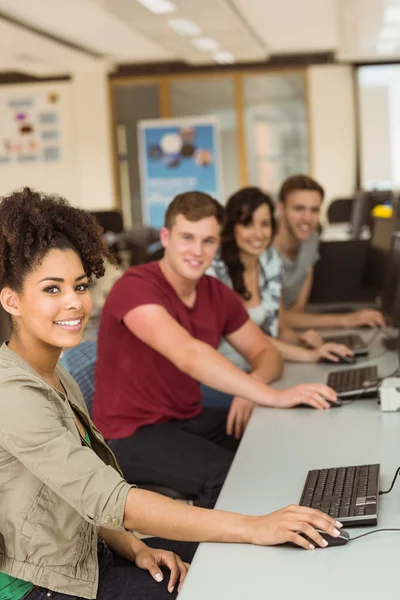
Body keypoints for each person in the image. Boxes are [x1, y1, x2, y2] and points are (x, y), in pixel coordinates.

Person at [0, 188, 344, 600]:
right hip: (43, 585)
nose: (74, 303)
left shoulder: (55, 376)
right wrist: (255, 526)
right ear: (11, 300)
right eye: (52, 289)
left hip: (89, 553)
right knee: (230, 578)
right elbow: (109, 496)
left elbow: (81, 499)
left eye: (80, 285)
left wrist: (137, 546)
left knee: (238, 557)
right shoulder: (13, 395)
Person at [93, 191, 338, 498]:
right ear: (166, 238)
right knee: (229, 478)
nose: (197, 251)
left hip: (186, 418)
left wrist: (253, 385)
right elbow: (189, 354)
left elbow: (266, 352)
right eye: (187, 238)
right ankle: (172, 548)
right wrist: (272, 396)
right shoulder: (134, 287)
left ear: (218, 244)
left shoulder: (216, 293)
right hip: (129, 435)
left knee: (279, 437)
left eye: (207, 241)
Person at [204, 187, 353, 410]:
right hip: (222, 378)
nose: (258, 233)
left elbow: (277, 326)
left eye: (264, 224)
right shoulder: (214, 272)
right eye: (247, 224)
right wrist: (307, 356)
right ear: (232, 228)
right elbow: (252, 338)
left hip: (260, 370)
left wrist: (308, 346)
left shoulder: (269, 260)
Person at [273, 174, 385, 337]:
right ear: (281, 209)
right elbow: (277, 318)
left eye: (314, 210)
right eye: (299, 209)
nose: (307, 219)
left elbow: (299, 309)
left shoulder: (311, 239)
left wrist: (294, 320)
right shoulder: (265, 251)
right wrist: (347, 320)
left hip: (287, 333)